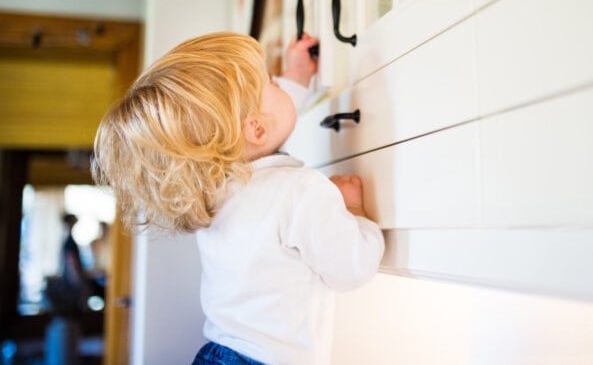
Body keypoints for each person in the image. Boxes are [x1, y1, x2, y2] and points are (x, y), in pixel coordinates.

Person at [91, 32, 384, 365]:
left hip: (218, 353)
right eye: (272, 83)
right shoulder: (301, 191)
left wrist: (297, 76)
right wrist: (355, 212)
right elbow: (353, 268)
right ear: (256, 129)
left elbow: (261, 123)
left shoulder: (215, 193)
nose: (278, 84)